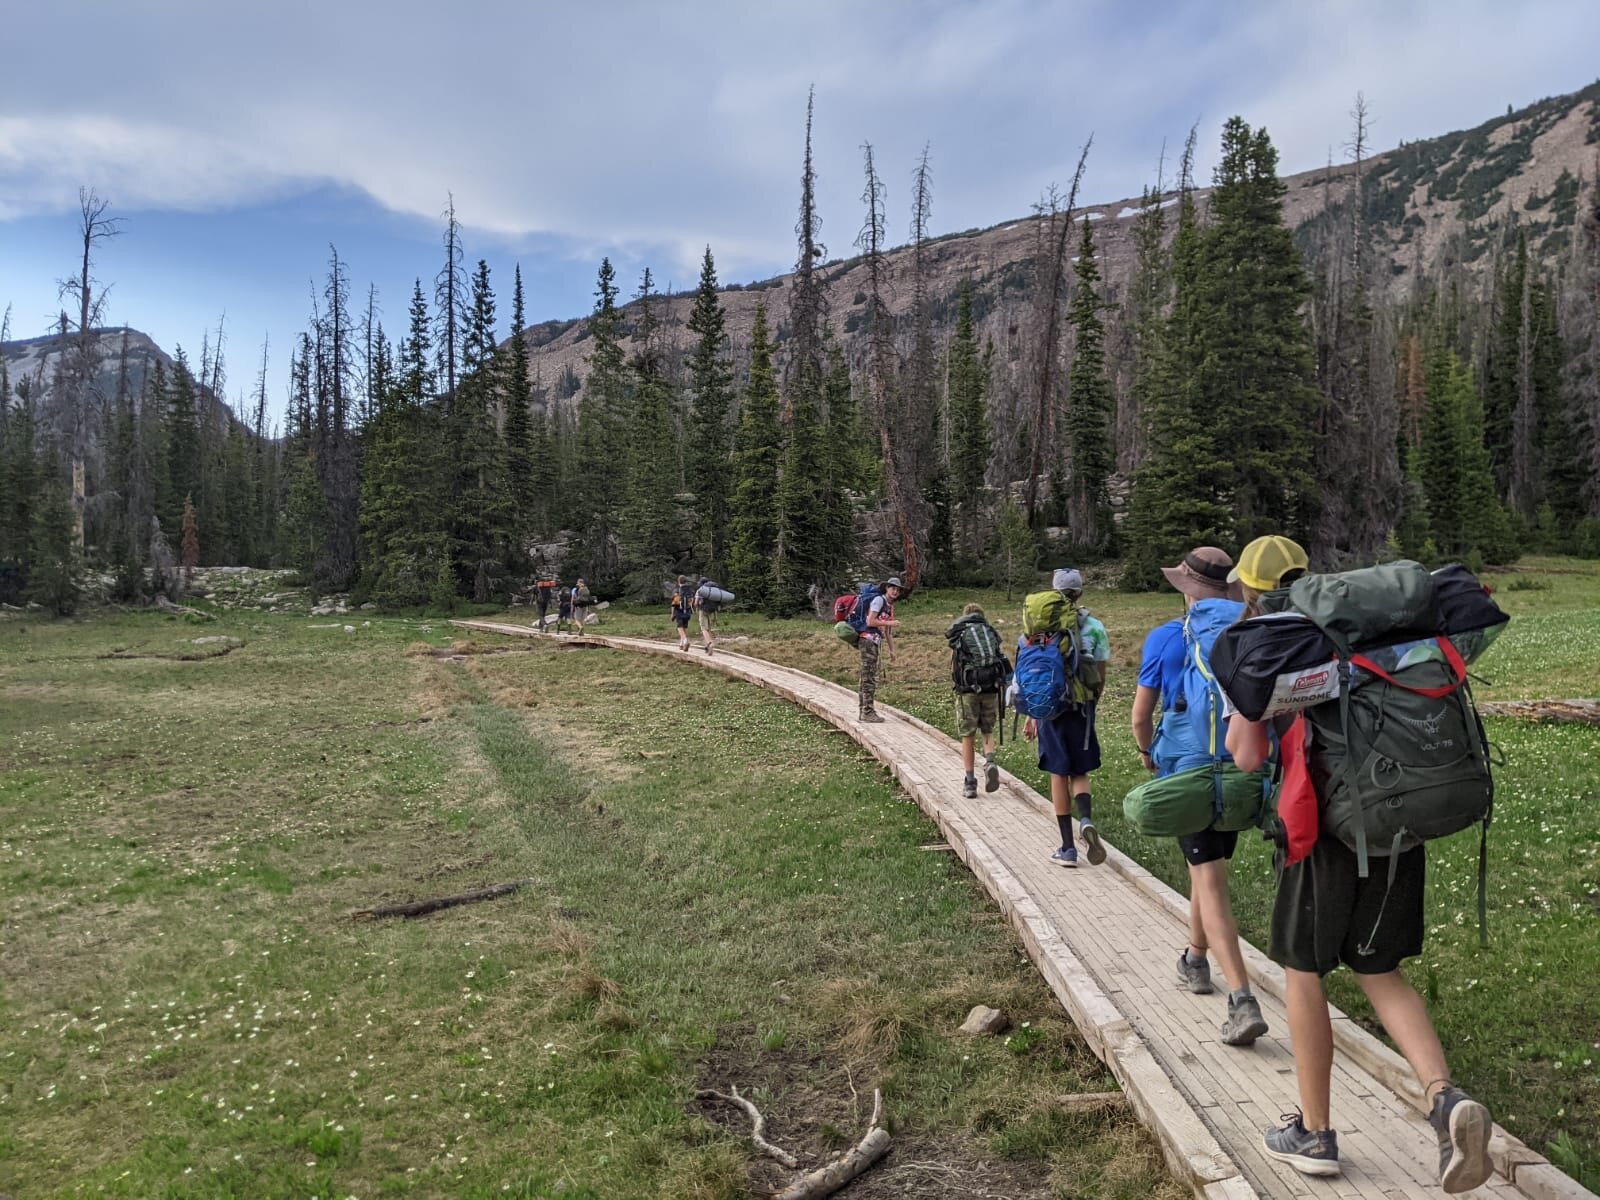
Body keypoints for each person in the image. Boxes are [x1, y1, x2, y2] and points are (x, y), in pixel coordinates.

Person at [1223, 535, 1492, 1191]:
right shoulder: (1362, 630)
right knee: (1380, 969)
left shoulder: (1277, 650)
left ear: (1251, 591)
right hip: (1400, 822)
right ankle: (1445, 1100)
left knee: (1303, 970)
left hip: (1327, 833)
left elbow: (1246, 756)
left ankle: (1314, 1132)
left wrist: (1244, 703)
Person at [1131, 546, 1268, 1047]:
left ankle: (1241, 999)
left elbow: (1141, 716)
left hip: (1192, 772)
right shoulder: (1252, 628)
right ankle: (1194, 958)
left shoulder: (1169, 637)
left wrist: (1148, 754)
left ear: (1186, 590)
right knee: (1206, 872)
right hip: (1243, 773)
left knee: (1210, 882)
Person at [1021, 568, 1110, 867]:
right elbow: (1100, 674)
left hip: (1050, 706)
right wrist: (1091, 702)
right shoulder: (1094, 626)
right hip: (1082, 706)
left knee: (1058, 774)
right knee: (1080, 770)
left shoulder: (1037, 628)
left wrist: (1034, 713)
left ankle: (1068, 848)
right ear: (1080, 592)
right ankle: (1085, 819)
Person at [947, 602, 1008, 797]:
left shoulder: (961, 633)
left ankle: (970, 781)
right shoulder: (989, 631)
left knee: (968, 734)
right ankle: (990, 761)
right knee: (987, 729)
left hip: (968, 690)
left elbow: (954, 665)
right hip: (991, 687)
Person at [857, 576, 904, 724]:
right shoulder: (879, 600)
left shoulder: (890, 606)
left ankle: (864, 710)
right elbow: (870, 621)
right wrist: (889, 622)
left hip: (875, 641)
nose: (895, 591)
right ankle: (867, 712)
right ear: (887, 589)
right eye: (893, 588)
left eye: (897, 589)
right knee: (869, 677)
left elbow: (887, 631)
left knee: (867, 675)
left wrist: (892, 651)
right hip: (868, 640)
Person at [670, 575, 695, 651]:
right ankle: (681, 644)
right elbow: (692, 601)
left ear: (678, 582)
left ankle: (685, 640)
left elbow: (674, 604)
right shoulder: (690, 590)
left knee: (679, 627)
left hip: (679, 611)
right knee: (684, 626)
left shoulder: (677, 591)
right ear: (685, 581)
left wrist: (672, 614)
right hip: (687, 611)